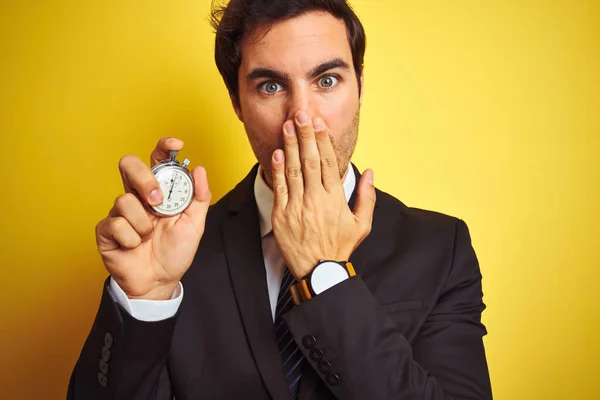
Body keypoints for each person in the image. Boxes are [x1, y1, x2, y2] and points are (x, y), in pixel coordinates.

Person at [67, 0, 492, 399]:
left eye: (327, 80)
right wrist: (146, 299)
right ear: (236, 102)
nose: (301, 116)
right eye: (270, 86)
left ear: (359, 86)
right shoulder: (178, 251)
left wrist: (324, 275)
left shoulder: (440, 247)